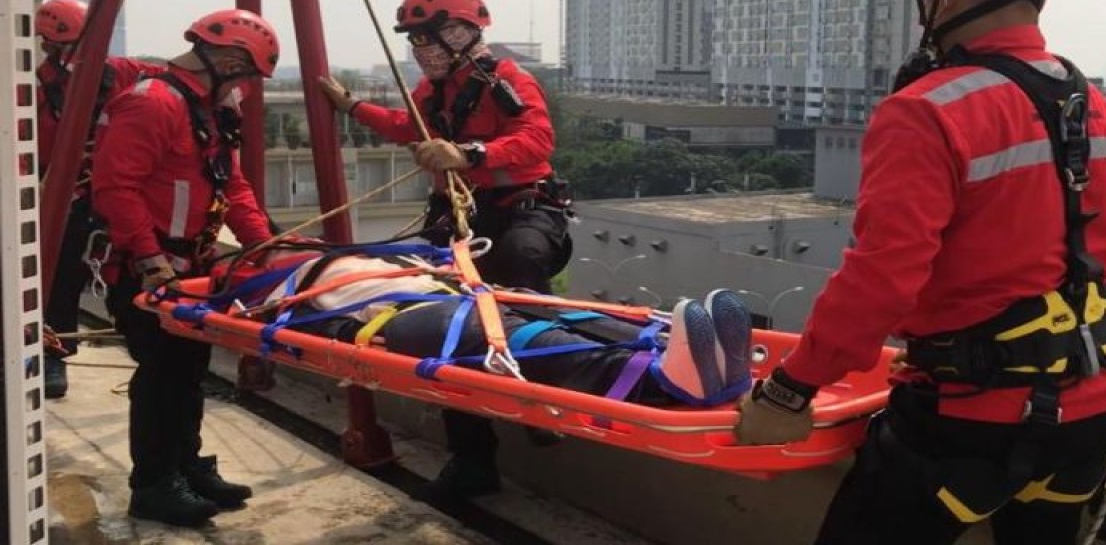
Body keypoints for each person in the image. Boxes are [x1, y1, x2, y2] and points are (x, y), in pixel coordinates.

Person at [734, 0, 1106, 544]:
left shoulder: (927, 110)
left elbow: (882, 276)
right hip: (1091, 411)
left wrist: (790, 391)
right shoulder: (1092, 104)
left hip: (968, 422)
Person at [318, 0, 571, 497]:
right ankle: (472, 460)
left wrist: (469, 155)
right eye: (414, 41)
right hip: (460, 217)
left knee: (522, 262)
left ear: (461, 33)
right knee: (443, 319)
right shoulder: (432, 94)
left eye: (428, 37)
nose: (421, 50)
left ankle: (543, 392)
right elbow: (404, 125)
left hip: (522, 209)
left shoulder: (506, 80)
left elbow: (537, 138)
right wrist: (351, 107)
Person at [93, 9, 280, 527]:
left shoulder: (210, 113)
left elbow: (231, 185)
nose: (243, 88)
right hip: (148, 270)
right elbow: (116, 187)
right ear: (224, 61)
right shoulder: (152, 104)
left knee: (188, 373)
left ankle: (187, 466)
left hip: (191, 270)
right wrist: (150, 259)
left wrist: (262, 244)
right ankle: (153, 483)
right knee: (161, 376)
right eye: (243, 76)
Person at [251, 250, 752, 408]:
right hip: (406, 319)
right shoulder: (286, 284)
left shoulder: (383, 256)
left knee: (548, 308)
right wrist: (344, 337)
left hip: (461, 292)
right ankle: (651, 381)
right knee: (491, 331)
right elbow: (290, 327)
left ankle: (674, 350)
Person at [34, 0, 162, 399]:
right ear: (50, 45)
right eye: (69, 46)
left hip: (110, 185)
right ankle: (54, 351)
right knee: (60, 268)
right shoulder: (37, 86)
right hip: (65, 191)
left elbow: (171, 80)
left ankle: (148, 336)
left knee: (142, 253)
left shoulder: (120, 72)